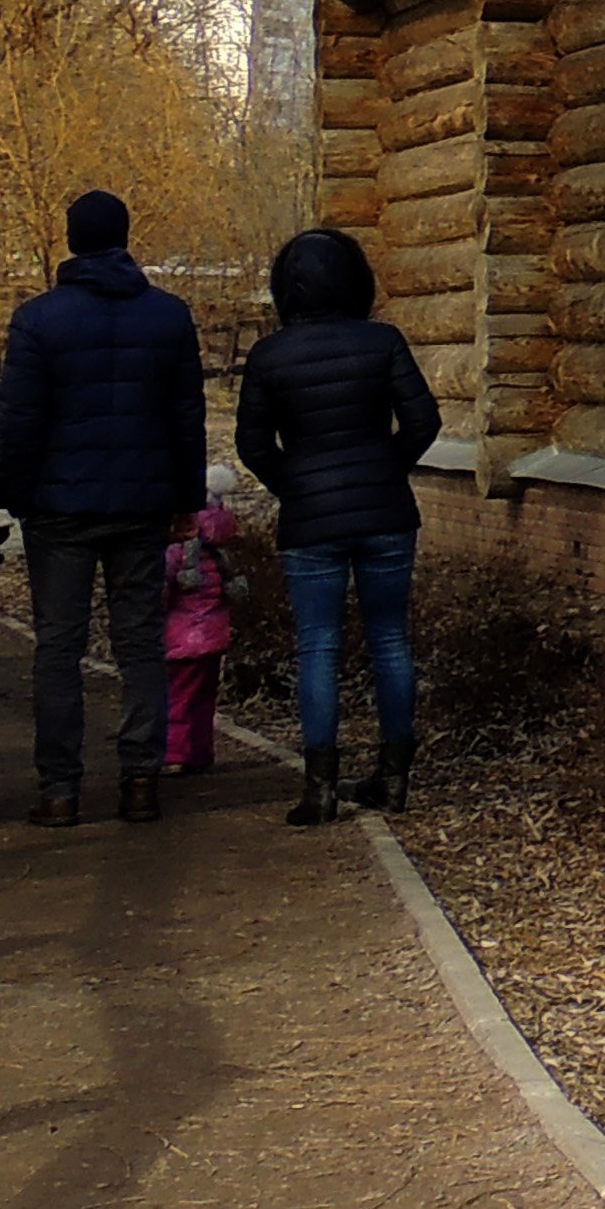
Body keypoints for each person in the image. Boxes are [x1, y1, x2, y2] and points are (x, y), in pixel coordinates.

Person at [0, 191, 206, 825]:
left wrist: (14, 495)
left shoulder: (38, 320)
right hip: (142, 502)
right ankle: (140, 778)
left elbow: (21, 420)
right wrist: (187, 498)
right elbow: (186, 416)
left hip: (60, 505)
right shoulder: (169, 316)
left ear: (70, 240)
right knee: (139, 641)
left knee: (57, 646)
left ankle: (59, 789)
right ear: (125, 236)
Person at [233, 226, 438, 825]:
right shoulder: (383, 342)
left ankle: (320, 788)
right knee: (391, 642)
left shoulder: (269, 355)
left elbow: (252, 444)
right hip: (386, 513)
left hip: (310, 522)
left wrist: (296, 485)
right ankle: (394, 779)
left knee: (318, 646)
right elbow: (424, 420)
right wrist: (385, 469)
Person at [159, 487, 239, 774]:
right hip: (214, 635)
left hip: (181, 637)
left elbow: (162, 591)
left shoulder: (176, 551)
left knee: (177, 697)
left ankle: (175, 753)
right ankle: (201, 750)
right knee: (204, 697)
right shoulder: (217, 554)